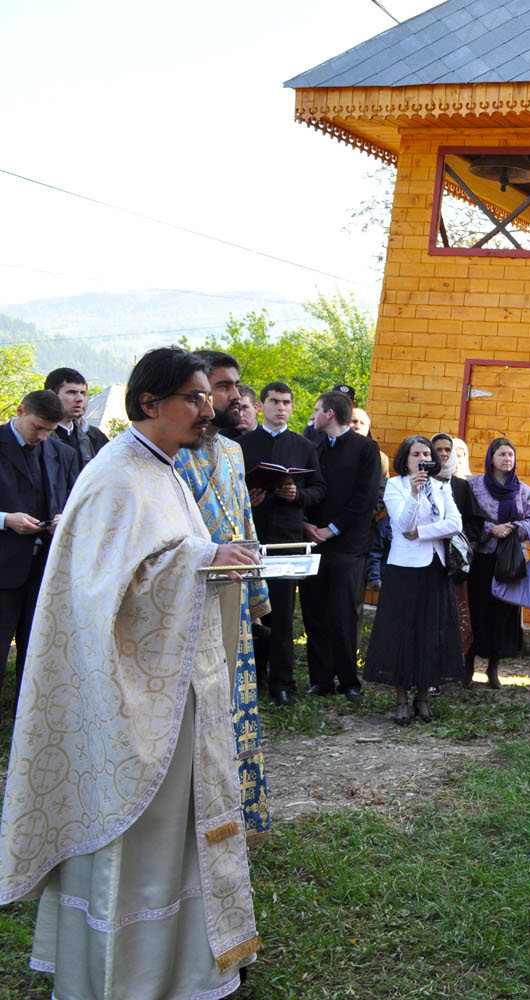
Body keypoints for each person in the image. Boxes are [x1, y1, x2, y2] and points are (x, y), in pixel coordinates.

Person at [0, 346, 262, 997]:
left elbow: (160, 558)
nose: (209, 409)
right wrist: (200, 560)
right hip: (130, 704)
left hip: (173, 687)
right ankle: (126, 979)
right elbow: (99, 595)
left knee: (175, 838)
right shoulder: (116, 476)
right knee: (137, 840)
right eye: (194, 398)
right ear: (150, 403)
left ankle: (183, 969)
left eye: (207, 397)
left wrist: (207, 557)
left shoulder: (161, 469)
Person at [172, 350, 272, 845]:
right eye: (223, 386)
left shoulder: (233, 451)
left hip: (233, 591)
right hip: (189, 597)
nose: (234, 395)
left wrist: (256, 594)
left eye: (236, 386)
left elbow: (244, 521)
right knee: (196, 710)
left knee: (234, 707)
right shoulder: (173, 451)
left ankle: (236, 818)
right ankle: (189, 824)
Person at [364, 435, 466, 724]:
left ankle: (422, 697)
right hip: (404, 569)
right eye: (416, 454)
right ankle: (401, 699)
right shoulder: (396, 485)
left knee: (430, 631)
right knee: (403, 632)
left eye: (426, 454)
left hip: (435, 568)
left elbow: (455, 524)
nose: (422, 458)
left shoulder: (442, 486)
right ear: (405, 459)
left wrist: (422, 532)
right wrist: (414, 492)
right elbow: (402, 524)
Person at [240, 380, 326, 707]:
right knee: (249, 612)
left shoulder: (304, 446)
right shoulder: (241, 445)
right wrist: (248, 498)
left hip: (287, 540)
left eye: (286, 402)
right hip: (250, 537)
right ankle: (252, 678)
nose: (281, 407)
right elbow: (230, 490)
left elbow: (319, 489)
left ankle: (281, 683)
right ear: (261, 405)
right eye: (275, 401)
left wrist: (296, 494)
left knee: (282, 613)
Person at [0, 389, 80, 715]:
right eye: (38, 428)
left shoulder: (63, 453)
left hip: (46, 570)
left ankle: (28, 721)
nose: (44, 437)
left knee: (37, 653)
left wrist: (63, 518)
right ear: (21, 411)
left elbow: (75, 502)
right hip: (4, 567)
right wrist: (5, 520)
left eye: (50, 430)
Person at [302, 390, 383, 702]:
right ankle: (320, 680)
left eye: (316, 410)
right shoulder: (316, 448)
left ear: (330, 414)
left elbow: (365, 498)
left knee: (344, 614)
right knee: (314, 612)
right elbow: (310, 490)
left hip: (347, 546)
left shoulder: (366, 449)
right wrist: (307, 525)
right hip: (314, 542)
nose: (313, 416)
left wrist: (332, 529)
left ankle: (349, 681)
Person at [466, 437, 530, 686]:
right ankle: (468, 664)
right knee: (477, 609)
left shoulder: (524, 490)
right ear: (491, 458)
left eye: (510, 454)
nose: (507, 459)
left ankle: (493, 667)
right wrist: (491, 529)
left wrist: (513, 529)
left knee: (503, 612)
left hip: (510, 560)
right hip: (481, 558)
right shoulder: (474, 486)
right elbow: (468, 517)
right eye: (502, 455)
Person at [431, 432, 475, 657]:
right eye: (438, 449)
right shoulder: (419, 482)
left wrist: (460, 542)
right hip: (425, 559)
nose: (444, 454)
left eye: (448, 450)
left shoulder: (460, 486)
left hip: (453, 563)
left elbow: (474, 522)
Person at [43, 367, 109, 464]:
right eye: (71, 392)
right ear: (51, 395)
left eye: (83, 393)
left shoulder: (96, 437)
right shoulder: (38, 436)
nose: (79, 399)